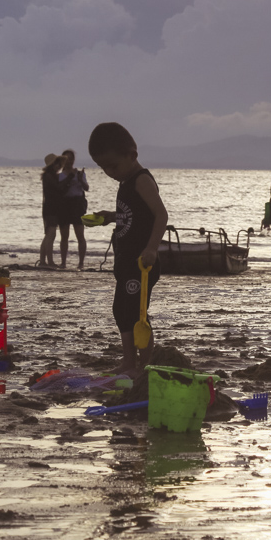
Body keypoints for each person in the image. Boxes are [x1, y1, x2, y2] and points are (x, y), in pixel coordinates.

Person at [88, 123, 168, 377]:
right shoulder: (125, 181)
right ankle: (128, 363)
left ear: (131, 155)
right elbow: (134, 214)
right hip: (125, 261)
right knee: (121, 309)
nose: (110, 172)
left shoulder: (141, 180)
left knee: (137, 314)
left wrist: (152, 249)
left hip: (142, 263)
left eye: (113, 165)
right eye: (104, 168)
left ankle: (143, 365)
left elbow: (160, 215)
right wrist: (110, 216)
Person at [57, 149, 89, 270]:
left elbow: (86, 188)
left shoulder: (79, 173)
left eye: (71, 158)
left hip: (77, 204)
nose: (69, 161)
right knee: (64, 236)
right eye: (66, 158)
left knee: (80, 235)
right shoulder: (60, 176)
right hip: (64, 204)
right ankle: (63, 262)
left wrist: (80, 179)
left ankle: (81, 263)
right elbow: (59, 191)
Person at [38, 153, 69, 268]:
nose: (58, 165)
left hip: (51, 207)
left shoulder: (50, 175)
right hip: (50, 208)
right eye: (56, 163)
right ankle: (48, 261)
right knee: (51, 234)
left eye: (58, 163)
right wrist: (70, 178)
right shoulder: (49, 176)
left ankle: (43, 261)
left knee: (49, 234)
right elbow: (59, 188)